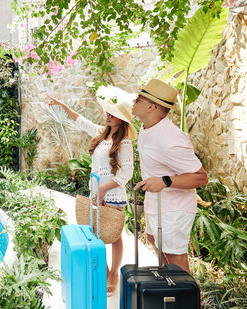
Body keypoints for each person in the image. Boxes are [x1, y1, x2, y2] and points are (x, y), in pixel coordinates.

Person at [47, 94, 136, 295]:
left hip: (112, 194)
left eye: (112, 114)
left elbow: (127, 172)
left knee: (114, 235)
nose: (108, 116)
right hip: (96, 193)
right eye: (108, 112)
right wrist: (62, 103)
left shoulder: (124, 142)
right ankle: (105, 272)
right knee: (96, 232)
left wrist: (104, 189)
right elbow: (79, 120)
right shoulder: (100, 133)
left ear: (121, 119)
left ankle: (114, 274)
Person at [132, 79, 208, 273]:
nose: (134, 100)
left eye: (139, 98)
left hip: (175, 209)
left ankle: (190, 301)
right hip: (157, 204)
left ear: (151, 106)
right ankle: (173, 293)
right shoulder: (147, 126)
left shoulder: (170, 139)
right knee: (153, 243)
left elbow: (200, 177)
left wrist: (165, 181)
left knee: (175, 259)